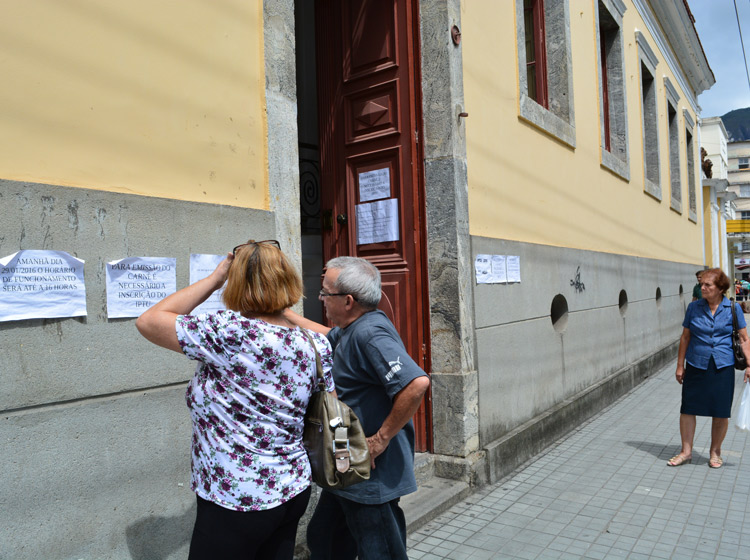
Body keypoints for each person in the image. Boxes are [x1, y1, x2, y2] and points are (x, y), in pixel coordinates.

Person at [135, 240, 334, 559]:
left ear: (236, 283)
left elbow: (149, 320)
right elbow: (329, 347)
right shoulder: (314, 343)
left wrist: (215, 279)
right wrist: (279, 304)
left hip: (238, 498)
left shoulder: (230, 333)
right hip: (292, 487)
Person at [285, 256, 431, 560]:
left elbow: (416, 383)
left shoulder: (370, 334)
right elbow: (324, 334)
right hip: (347, 466)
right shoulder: (351, 329)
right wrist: (283, 314)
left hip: (369, 473)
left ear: (348, 300)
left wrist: (379, 441)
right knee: (324, 538)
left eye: (325, 293)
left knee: (379, 551)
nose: (322, 299)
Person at [670, 268, 750, 468]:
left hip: (723, 365)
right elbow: (685, 337)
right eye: (701, 284)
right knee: (688, 408)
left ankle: (715, 452)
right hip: (697, 363)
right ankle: (686, 452)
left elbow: (744, 338)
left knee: (720, 411)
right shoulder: (694, 307)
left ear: (720, 288)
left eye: (707, 285)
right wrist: (680, 366)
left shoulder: (733, 308)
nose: (702, 287)